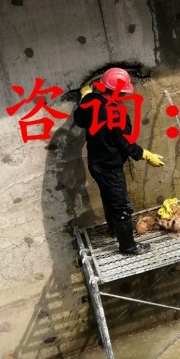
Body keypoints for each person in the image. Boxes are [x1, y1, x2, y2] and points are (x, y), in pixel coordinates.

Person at [73, 67, 164, 256]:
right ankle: (128, 247)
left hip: (95, 164)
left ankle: (114, 230)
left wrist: (85, 96)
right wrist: (146, 155)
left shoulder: (91, 100)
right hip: (110, 167)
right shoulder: (117, 114)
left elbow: (80, 120)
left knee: (108, 197)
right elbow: (126, 144)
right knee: (121, 206)